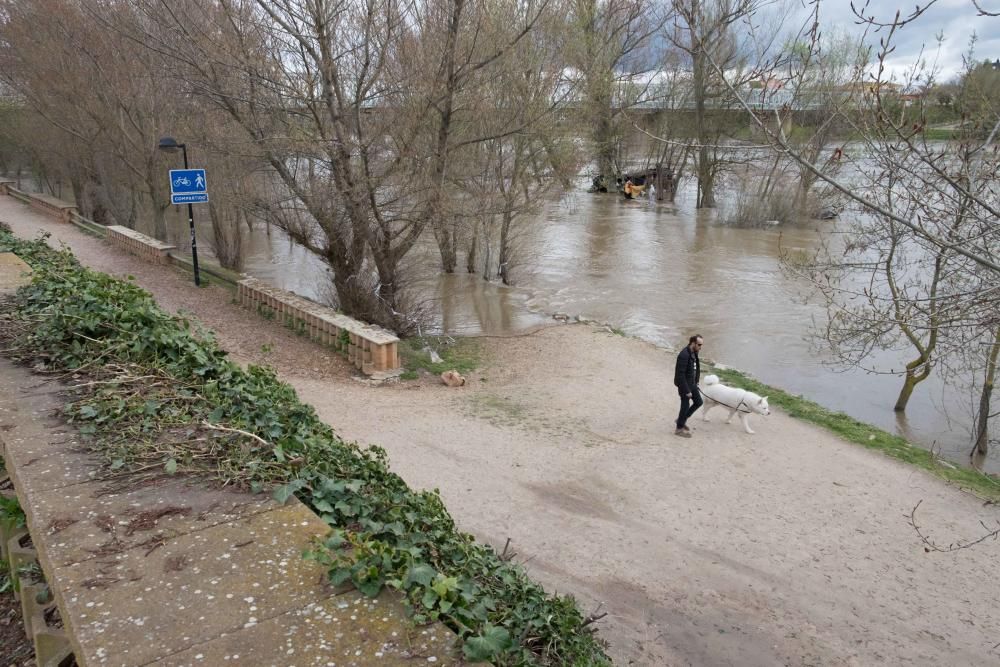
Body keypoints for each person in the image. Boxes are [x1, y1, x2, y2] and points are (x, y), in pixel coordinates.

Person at [673, 334, 703, 437]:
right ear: (693, 343)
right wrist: (687, 390)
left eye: (701, 345)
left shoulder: (694, 352)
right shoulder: (684, 355)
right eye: (699, 344)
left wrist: (697, 381)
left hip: (692, 384)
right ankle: (679, 429)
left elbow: (696, 368)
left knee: (699, 402)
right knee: (685, 406)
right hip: (684, 385)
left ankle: (681, 420)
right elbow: (680, 375)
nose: (700, 347)